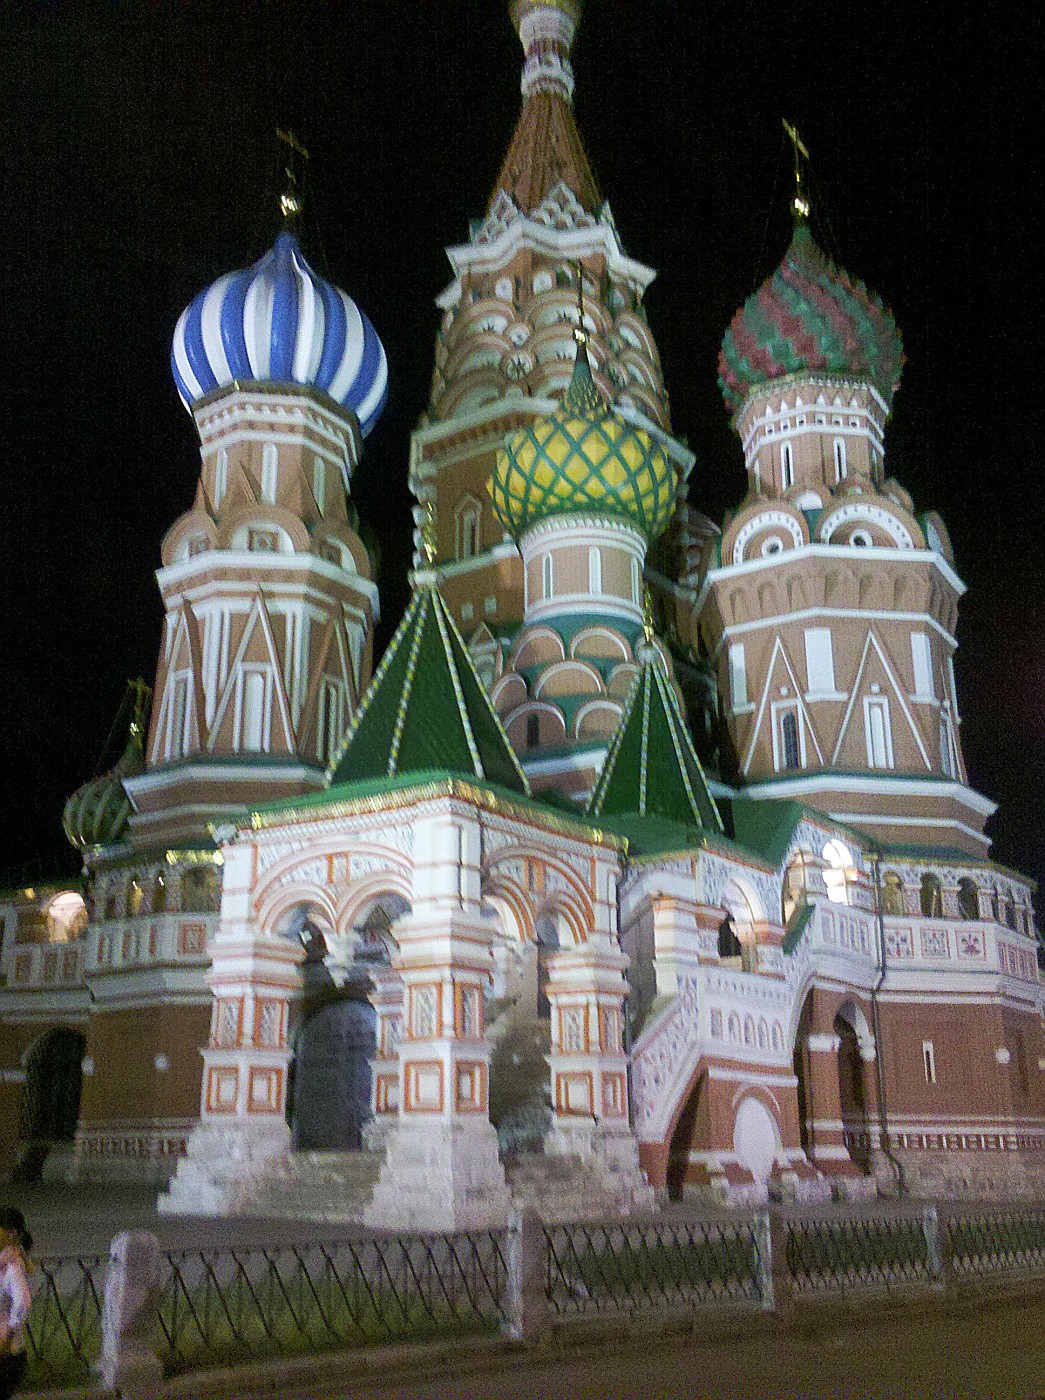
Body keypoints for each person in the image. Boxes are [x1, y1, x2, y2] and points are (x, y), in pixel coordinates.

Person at [0, 1208, 33, 1399]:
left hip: (6, 1355)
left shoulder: (12, 1267)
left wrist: (8, 1334)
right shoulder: (6, 1261)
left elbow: (23, 1302)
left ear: (10, 1232)